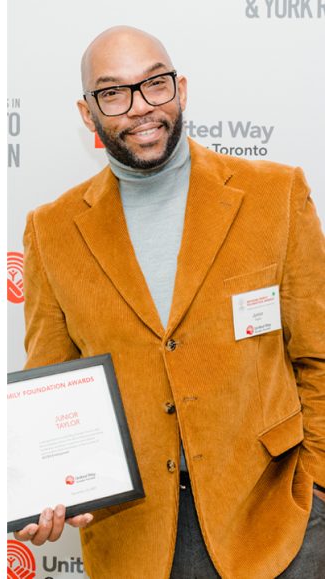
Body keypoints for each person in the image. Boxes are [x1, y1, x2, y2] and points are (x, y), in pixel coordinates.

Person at [18, 25, 325, 578]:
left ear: (180, 89)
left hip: (275, 519)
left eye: (154, 84)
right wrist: (45, 489)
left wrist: (319, 490)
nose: (140, 108)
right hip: (132, 537)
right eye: (112, 93)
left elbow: (319, 358)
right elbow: (50, 382)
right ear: (88, 114)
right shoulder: (51, 230)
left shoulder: (276, 195)